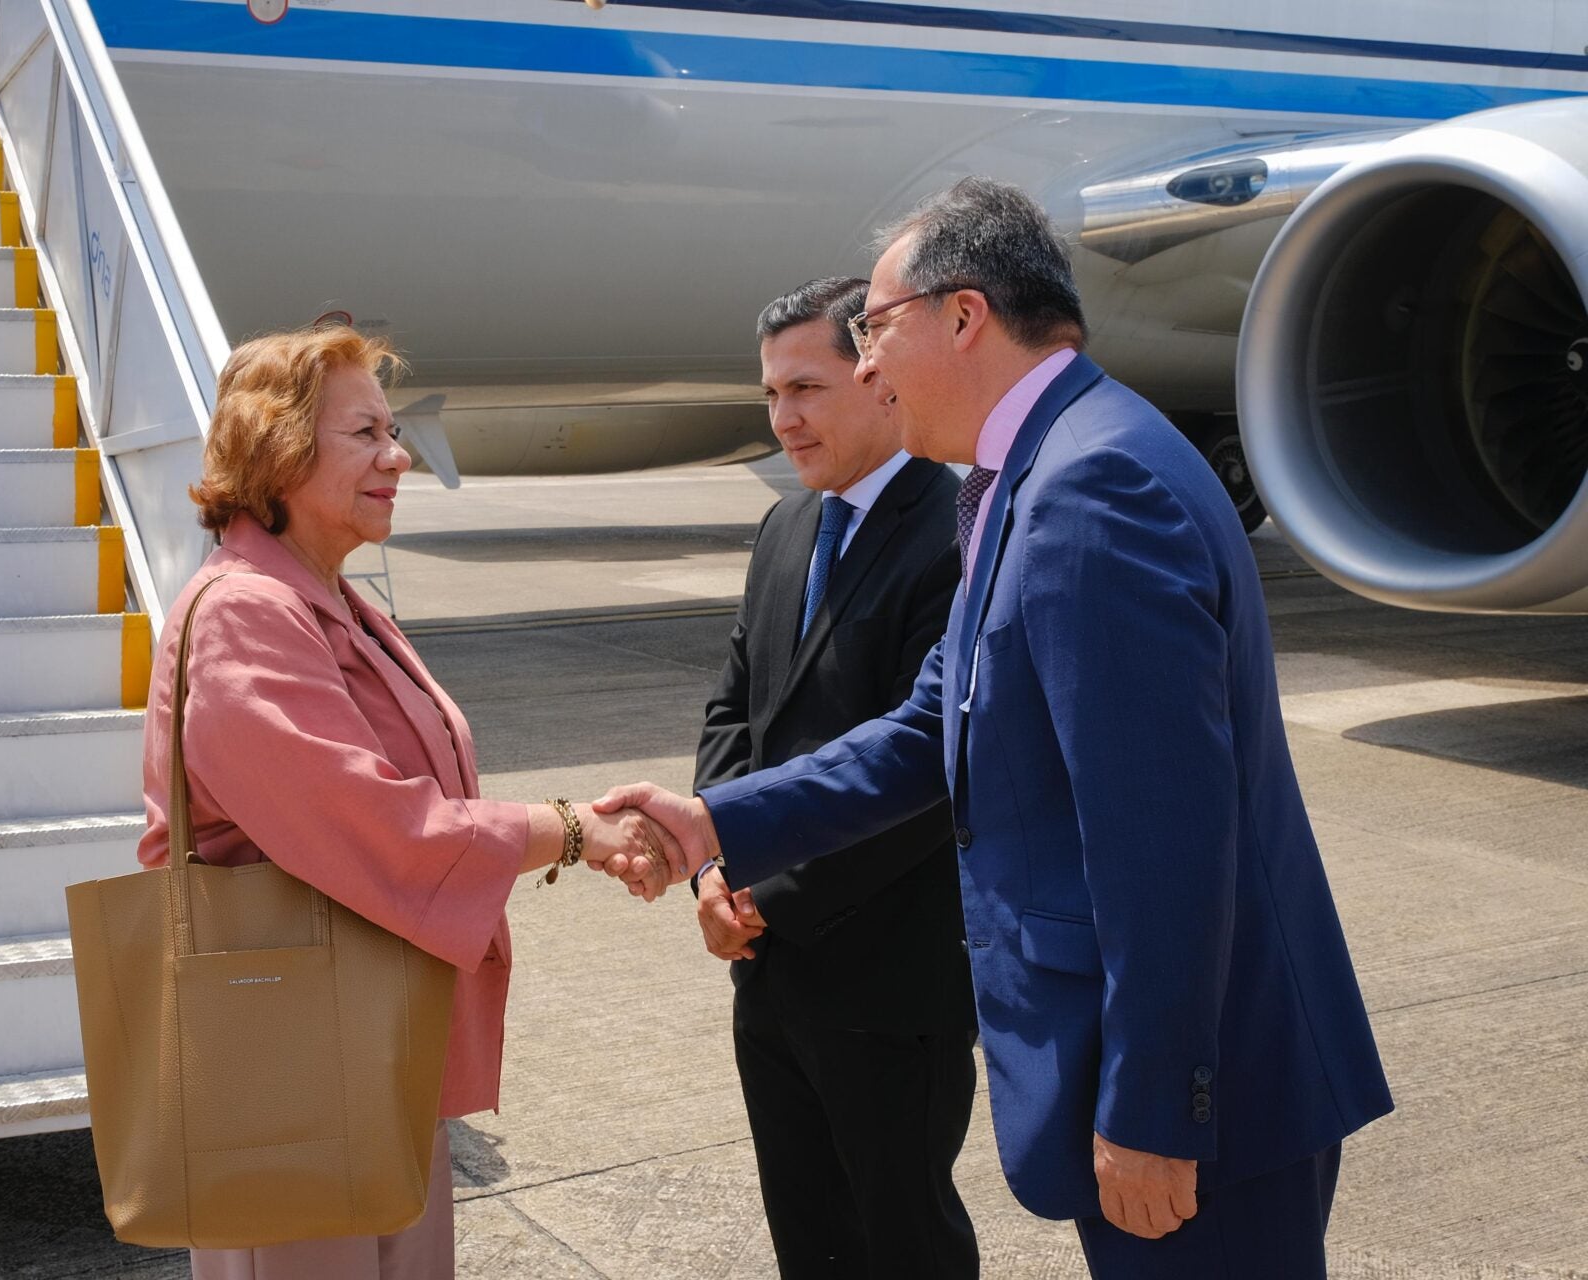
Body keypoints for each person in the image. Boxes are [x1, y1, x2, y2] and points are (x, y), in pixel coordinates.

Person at [596, 177, 1394, 1279]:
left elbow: (1164, 841)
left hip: (1205, 1095)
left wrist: (1156, 1107)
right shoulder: (1034, 472)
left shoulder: (1090, 490)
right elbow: (930, 724)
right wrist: (713, 820)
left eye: (875, 331)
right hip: (1176, 1065)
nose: (864, 368)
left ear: (965, 315)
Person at [136, 325, 675, 1279]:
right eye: (366, 434)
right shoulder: (248, 613)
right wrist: (572, 830)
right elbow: (378, 825)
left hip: (367, 1039)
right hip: (292, 1065)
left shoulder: (330, 601)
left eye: (393, 433)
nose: (398, 457)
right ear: (277, 449)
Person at [694, 276, 978, 1278]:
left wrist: (761, 891)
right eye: (772, 394)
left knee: (905, 1243)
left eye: (807, 388)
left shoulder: (957, 530)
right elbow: (734, 711)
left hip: (890, 977)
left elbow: (927, 770)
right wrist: (713, 870)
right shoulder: (786, 526)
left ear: (879, 379)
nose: (784, 418)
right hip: (768, 971)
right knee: (808, 1237)